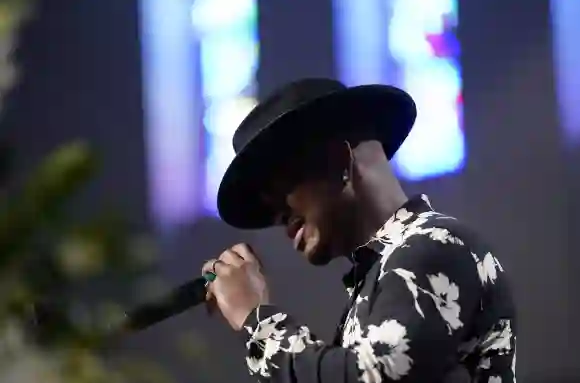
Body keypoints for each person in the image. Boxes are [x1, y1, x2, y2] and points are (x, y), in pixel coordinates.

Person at [201, 78, 516, 382]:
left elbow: (371, 377)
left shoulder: (435, 245)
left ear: (340, 161)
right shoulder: (387, 271)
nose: (277, 217)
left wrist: (256, 319)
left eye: (280, 190)